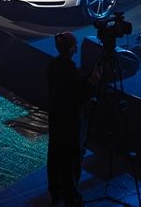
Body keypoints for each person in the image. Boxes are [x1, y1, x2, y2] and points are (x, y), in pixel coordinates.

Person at [46, 32, 97, 207]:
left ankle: (56, 193)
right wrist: (91, 84)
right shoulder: (70, 71)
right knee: (71, 161)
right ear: (71, 49)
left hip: (56, 120)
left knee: (55, 158)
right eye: (75, 44)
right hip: (70, 124)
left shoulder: (53, 65)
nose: (77, 47)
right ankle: (71, 196)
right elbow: (77, 97)